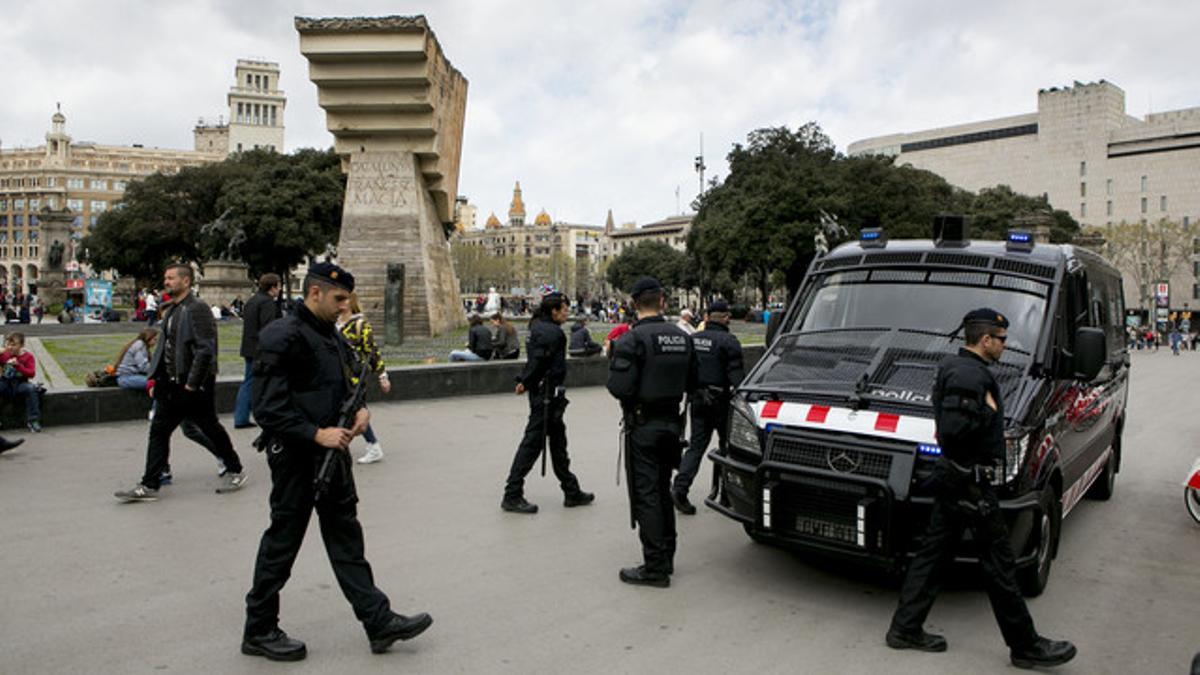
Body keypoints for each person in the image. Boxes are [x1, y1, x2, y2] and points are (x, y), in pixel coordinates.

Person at [242, 263, 432, 662]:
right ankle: (258, 629)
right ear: (315, 293)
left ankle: (378, 622)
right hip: (297, 456)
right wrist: (315, 433)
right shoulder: (282, 335)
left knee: (346, 539)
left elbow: (346, 385)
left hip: (334, 455)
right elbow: (268, 407)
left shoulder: (332, 336)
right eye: (339, 299)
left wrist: (361, 411)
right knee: (283, 542)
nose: (345, 306)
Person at [886, 308, 1076, 669]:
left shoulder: (958, 368)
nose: (1006, 345)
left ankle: (905, 629)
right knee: (1000, 566)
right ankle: (1026, 646)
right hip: (969, 485)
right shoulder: (968, 375)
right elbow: (954, 430)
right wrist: (989, 414)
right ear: (985, 340)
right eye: (1001, 339)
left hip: (957, 481)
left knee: (932, 556)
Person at [114, 264, 248, 502]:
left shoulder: (197, 309)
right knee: (159, 431)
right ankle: (150, 484)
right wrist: (155, 378)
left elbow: (205, 349)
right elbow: (166, 349)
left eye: (171, 278)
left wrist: (192, 384)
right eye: (165, 277)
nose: (166, 281)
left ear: (186, 281)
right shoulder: (175, 309)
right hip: (171, 383)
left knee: (210, 428)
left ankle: (235, 469)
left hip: (191, 383)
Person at [606, 277, 695, 588]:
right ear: (662, 302)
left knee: (646, 494)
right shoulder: (682, 337)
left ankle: (655, 567)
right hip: (673, 423)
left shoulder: (632, 340)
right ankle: (666, 557)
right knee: (662, 490)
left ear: (633, 304)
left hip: (643, 425)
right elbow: (694, 382)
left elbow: (618, 387)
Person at [501, 290, 594, 514]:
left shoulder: (537, 328)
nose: (567, 313)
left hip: (545, 394)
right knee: (532, 444)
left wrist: (525, 381)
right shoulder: (553, 333)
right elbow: (540, 363)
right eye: (564, 309)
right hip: (547, 396)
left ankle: (571, 490)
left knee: (558, 444)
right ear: (553, 311)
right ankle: (512, 494)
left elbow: (535, 362)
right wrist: (527, 381)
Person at [672, 300, 744, 514]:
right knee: (726, 448)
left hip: (698, 400)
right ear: (726, 318)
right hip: (721, 401)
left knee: (696, 447)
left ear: (706, 317)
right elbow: (737, 378)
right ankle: (725, 494)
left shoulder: (693, 339)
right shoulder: (729, 341)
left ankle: (680, 488)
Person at [338, 292, 391, 464]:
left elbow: (372, 352)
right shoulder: (333, 324)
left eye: (344, 299)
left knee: (355, 409)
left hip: (355, 378)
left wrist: (382, 376)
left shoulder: (360, 324)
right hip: (337, 376)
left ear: (351, 302)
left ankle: (373, 445)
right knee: (347, 410)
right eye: (338, 299)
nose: (341, 303)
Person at [235, 273, 282, 429]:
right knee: (258, 382)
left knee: (248, 381)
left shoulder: (252, 301)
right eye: (278, 286)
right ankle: (249, 416)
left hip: (249, 347)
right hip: (261, 350)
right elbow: (269, 327)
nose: (280, 290)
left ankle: (241, 416)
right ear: (272, 287)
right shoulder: (267, 303)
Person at [0, 332, 42, 432]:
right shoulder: (4, 355)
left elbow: (31, 373)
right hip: (5, 382)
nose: (10, 347)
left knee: (31, 389)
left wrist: (18, 365)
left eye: (14, 345)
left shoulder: (28, 357)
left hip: (20, 383)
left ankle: (33, 420)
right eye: (8, 344)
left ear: (22, 345)